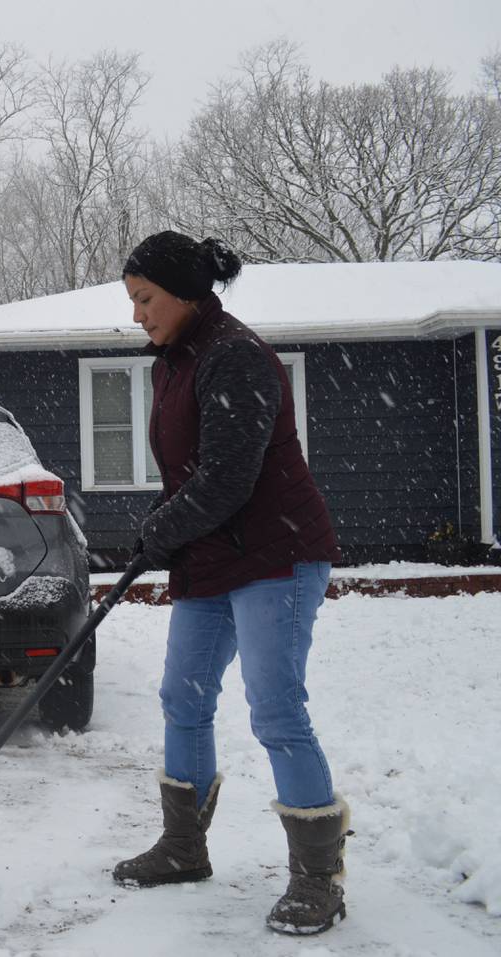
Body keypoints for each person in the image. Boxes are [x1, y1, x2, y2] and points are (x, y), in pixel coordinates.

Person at [110, 231, 349, 936]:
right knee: (182, 695)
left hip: (277, 550)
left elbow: (229, 477)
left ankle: (317, 878)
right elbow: (190, 477)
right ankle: (184, 846)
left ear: (186, 293)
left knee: (275, 708)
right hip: (213, 554)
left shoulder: (236, 357)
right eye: (133, 302)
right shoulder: (175, 362)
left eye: (145, 299)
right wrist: (161, 519)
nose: (138, 316)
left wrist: (163, 528)